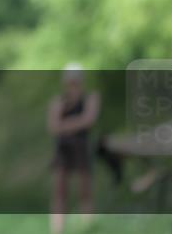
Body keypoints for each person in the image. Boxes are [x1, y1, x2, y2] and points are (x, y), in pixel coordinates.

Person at [47, 62, 100, 234]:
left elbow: (89, 120)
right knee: (60, 191)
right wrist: (77, 123)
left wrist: (65, 125)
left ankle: (88, 227)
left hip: (81, 145)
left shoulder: (90, 98)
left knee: (85, 190)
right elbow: (53, 126)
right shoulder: (59, 100)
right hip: (63, 147)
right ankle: (57, 229)